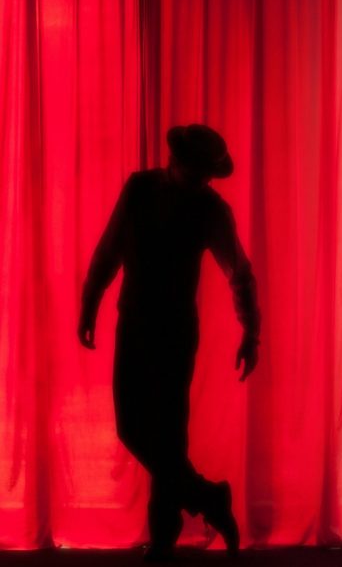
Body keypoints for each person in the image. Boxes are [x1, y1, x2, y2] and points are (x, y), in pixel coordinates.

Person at [78, 124, 260, 561]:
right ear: (176, 161)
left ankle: (164, 538)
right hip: (137, 321)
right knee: (136, 428)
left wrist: (251, 331)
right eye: (197, 171)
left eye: (206, 174)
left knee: (167, 435)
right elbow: (110, 250)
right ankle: (208, 498)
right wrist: (90, 301)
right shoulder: (140, 189)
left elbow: (239, 272)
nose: (202, 180)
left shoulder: (209, 208)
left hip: (175, 328)